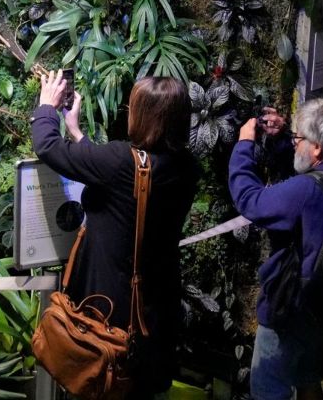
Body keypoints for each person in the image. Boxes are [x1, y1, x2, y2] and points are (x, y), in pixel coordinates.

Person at [31, 71, 200, 398]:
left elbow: (47, 146)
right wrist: (78, 134)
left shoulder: (120, 161)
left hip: (112, 309)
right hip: (156, 305)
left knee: (105, 383)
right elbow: (130, 182)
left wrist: (47, 107)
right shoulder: (187, 167)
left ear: (140, 114)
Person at [229, 99, 323, 400]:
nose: (294, 141)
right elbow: (304, 166)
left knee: (267, 388)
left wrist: (244, 146)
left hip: (291, 308)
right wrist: (282, 137)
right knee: (307, 376)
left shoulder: (305, 191)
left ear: (317, 149)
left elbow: (250, 200)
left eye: (298, 137)